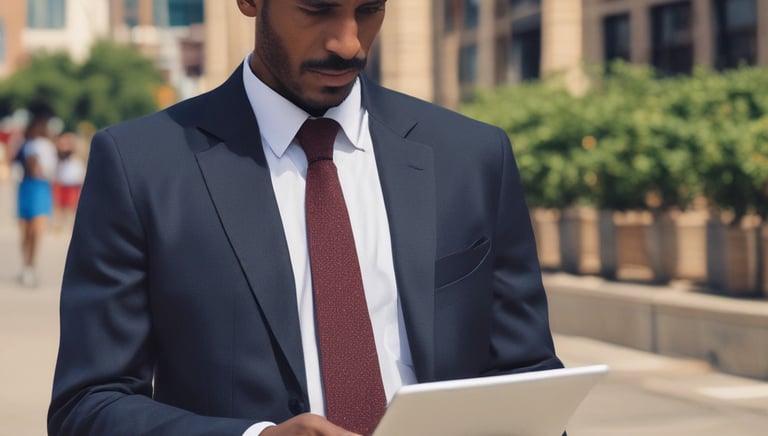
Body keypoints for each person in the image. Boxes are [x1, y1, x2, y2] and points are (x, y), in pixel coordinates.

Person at [49, 1, 563, 435]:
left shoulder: (472, 156)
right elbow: (89, 403)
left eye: (369, 9)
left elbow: (529, 375)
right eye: (317, 8)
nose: (349, 42)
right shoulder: (141, 165)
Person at [15, 105, 57, 288]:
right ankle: (27, 265)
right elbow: (20, 163)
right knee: (26, 231)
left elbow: (51, 169)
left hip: (41, 188)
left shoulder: (48, 146)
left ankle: (31, 265)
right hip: (28, 187)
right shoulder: (26, 145)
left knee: (36, 230)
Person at [52, 132, 85, 231]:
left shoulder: (77, 157)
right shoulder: (59, 155)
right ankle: (59, 225)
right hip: (61, 183)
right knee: (59, 205)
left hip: (73, 184)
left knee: (71, 206)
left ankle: (70, 225)